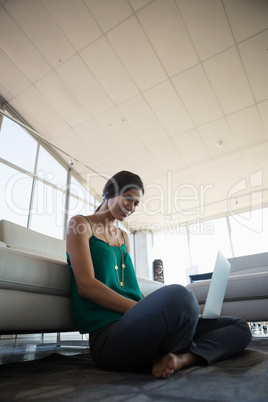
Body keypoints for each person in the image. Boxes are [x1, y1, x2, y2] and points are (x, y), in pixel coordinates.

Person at [66, 171, 252, 379]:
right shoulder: (80, 225)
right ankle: (181, 344)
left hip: (141, 324)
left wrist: (149, 307)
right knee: (180, 296)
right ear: (110, 192)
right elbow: (86, 286)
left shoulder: (123, 236)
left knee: (239, 326)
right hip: (110, 338)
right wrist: (142, 309)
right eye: (128, 199)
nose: (131, 208)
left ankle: (182, 358)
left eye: (136, 204)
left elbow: (130, 287)